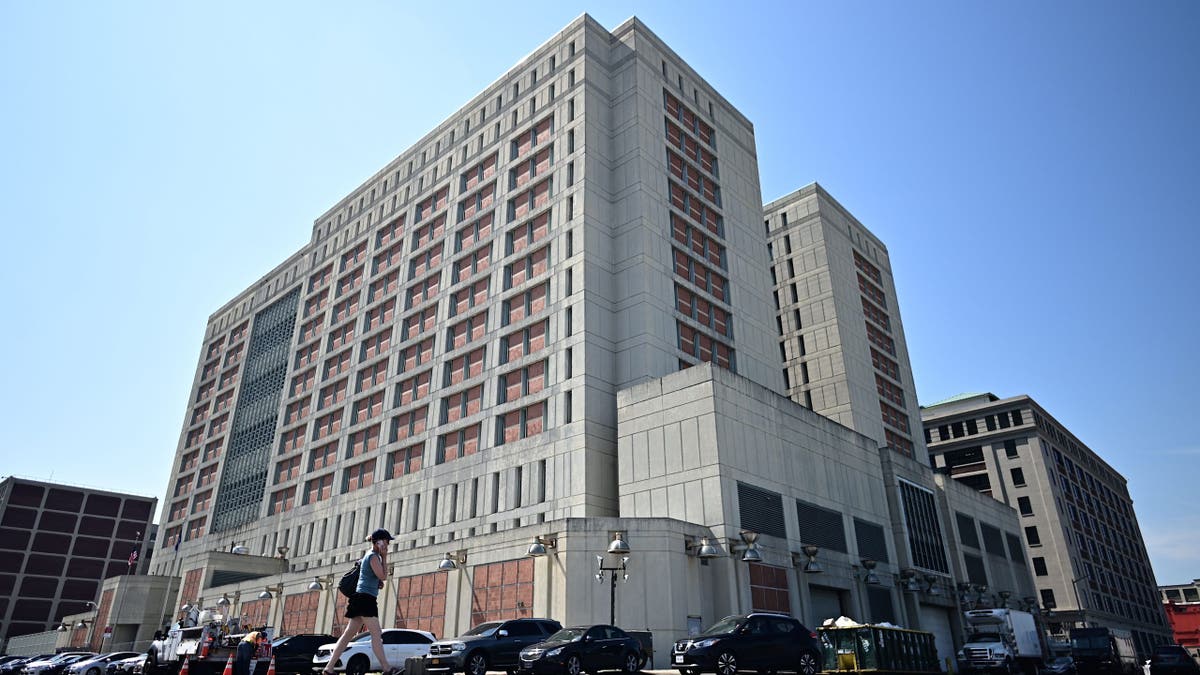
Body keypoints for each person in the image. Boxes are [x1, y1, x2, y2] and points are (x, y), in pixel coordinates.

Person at [321, 529, 399, 675]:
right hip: (365, 599)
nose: (388, 545)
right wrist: (385, 557)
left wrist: (376, 582)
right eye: (387, 541)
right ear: (379, 542)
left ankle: (329, 668)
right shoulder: (374, 557)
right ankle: (387, 668)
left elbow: (374, 578)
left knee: (348, 634)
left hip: (361, 597)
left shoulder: (371, 556)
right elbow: (383, 576)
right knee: (376, 633)